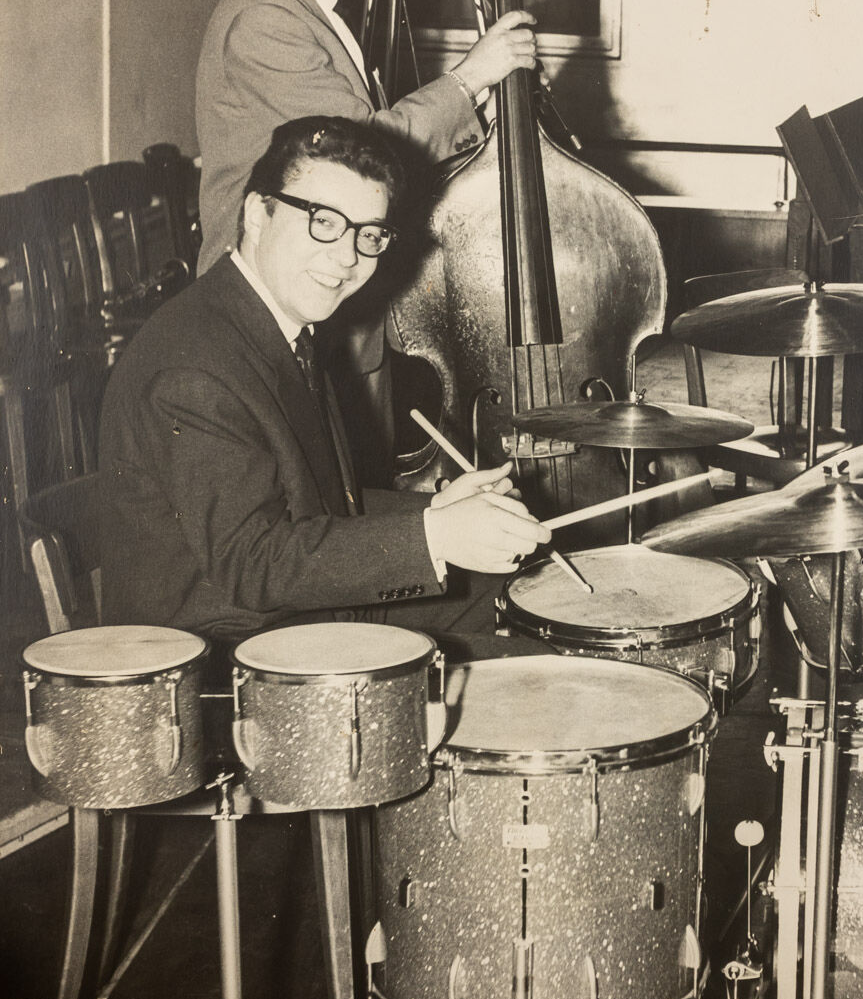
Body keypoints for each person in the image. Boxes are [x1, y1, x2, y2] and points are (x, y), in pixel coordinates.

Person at [99, 115, 551, 651]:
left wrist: (439, 512)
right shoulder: (192, 369)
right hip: (223, 653)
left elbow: (319, 504)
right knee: (531, 663)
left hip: (289, 617)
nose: (348, 256)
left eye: (368, 233)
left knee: (501, 590)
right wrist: (438, 537)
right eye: (324, 222)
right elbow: (252, 563)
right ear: (258, 215)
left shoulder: (276, 320)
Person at [196, 0, 537, 273]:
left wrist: (486, 103)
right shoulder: (265, 20)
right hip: (276, 296)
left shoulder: (291, 4)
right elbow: (364, 154)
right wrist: (472, 75)